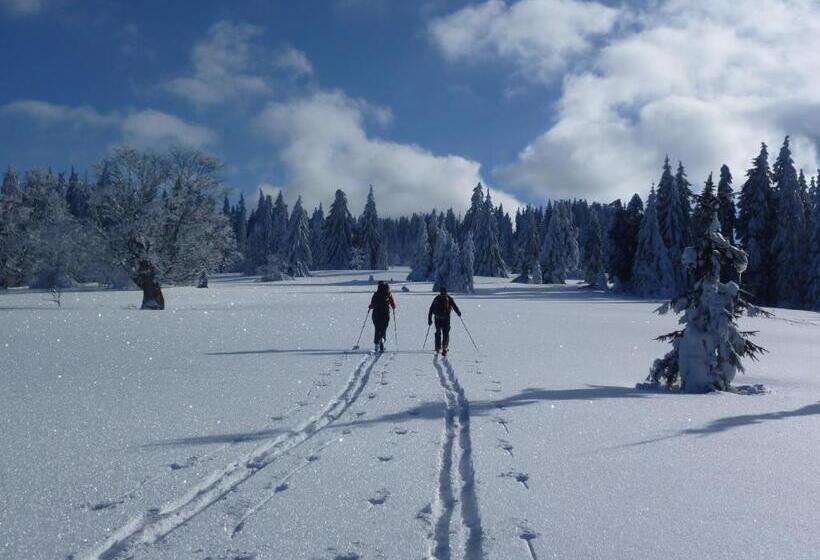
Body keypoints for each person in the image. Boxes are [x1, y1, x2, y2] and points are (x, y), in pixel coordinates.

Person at [428, 286, 461, 356]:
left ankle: (437, 347)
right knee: (445, 333)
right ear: (446, 292)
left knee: (438, 332)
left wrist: (429, 319)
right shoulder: (449, 298)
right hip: (446, 319)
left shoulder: (436, 298)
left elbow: (431, 309)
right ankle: (444, 348)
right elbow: (454, 306)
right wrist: (458, 313)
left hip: (437, 319)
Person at [369, 281, 396, 353]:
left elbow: (372, 304)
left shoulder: (376, 294)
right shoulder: (388, 294)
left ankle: (376, 344)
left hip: (376, 314)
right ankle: (382, 340)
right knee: (383, 329)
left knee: (377, 329)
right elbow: (393, 305)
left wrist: (370, 307)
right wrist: (392, 307)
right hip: (385, 314)